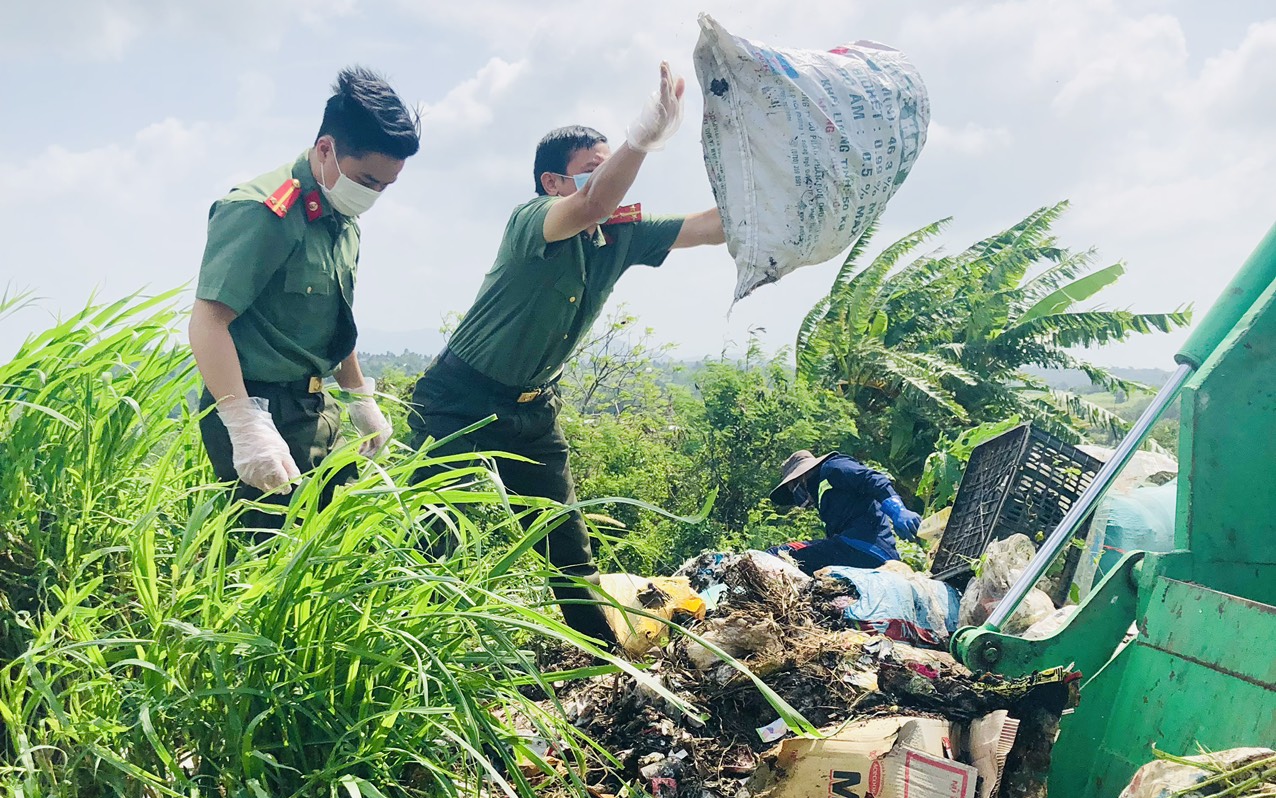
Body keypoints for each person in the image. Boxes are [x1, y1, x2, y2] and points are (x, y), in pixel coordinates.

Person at [407, 62, 725, 649]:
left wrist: (789, 203)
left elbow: (709, 227)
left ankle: (602, 662)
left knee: (566, 543)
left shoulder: (619, 235)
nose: (607, 181)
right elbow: (588, 208)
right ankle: (404, 654)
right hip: (459, 399)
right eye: (591, 170)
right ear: (553, 182)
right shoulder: (534, 219)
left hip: (533, 409)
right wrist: (641, 140)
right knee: (431, 538)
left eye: (609, 167)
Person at [189, 66, 420, 533]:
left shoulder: (340, 215)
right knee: (263, 565)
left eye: (385, 186)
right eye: (367, 179)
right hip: (260, 407)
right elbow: (207, 323)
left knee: (335, 548)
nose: (373, 194)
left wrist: (358, 396)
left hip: (317, 407)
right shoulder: (262, 211)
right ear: (325, 149)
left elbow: (334, 317)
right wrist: (244, 423)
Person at [767, 450, 922, 576]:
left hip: (861, 547)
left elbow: (873, 479)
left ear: (802, 477)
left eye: (795, 488)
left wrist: (898, 510)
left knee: (777, 554)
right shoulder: (823, 494)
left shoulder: (832, 467)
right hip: (862, 551)